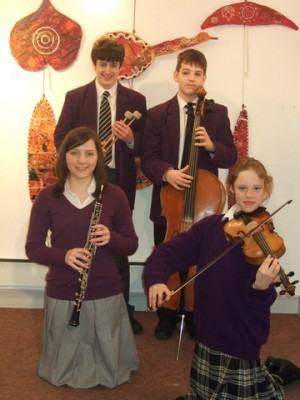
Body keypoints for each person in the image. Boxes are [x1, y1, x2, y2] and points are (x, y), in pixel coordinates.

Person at [144, 157, 285, 399]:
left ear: (265, 191)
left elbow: (262, 302)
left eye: (256, 188)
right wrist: (156, 279)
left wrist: (261, 287)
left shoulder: (266, 239)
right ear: (231, 189)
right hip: (209, 331)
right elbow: (166, 253)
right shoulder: (210, 228)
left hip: (243, 336)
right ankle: (273, 371)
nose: (249, 195)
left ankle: (279, 374)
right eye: (242, 188)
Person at [25, 127, 139, 389]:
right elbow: (33, 247)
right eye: (74, 153)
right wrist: (63, 256)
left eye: (89, 153)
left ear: (99, 156)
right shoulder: (47, 197)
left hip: (105, 288)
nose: (81, 160)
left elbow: (131, 245)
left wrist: (112, 238)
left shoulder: (114, 195)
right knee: (62, 363)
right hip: (63, 288)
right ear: (64, 156)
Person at [141, 48, 237, 339]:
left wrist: (211, 146)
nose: (192, 78)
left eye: (198, 73)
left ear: (204, 77)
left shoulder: (217, 114)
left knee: (202, 262)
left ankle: (196, 313)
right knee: (166, 256)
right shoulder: (158, 114)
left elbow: (230, 156)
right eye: (186, 72)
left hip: (203, 206)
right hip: (169, 202)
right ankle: (167, 314)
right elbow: (148, 157)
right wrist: (167, 173)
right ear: (176, 75)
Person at [54, 37, 147, 335]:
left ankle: (120, 311)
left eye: (114, 65)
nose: (108, 71)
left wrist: (130, 140)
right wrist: (85, 149)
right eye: (103, 64)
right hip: (84, 179)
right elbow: (60, 140)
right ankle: (79, 304)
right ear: (94, 65)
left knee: (116, 247)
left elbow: (147, 146)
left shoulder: (136, 101)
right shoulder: (75, 97)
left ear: (122, 67)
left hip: (118, 182)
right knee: (80, 240)